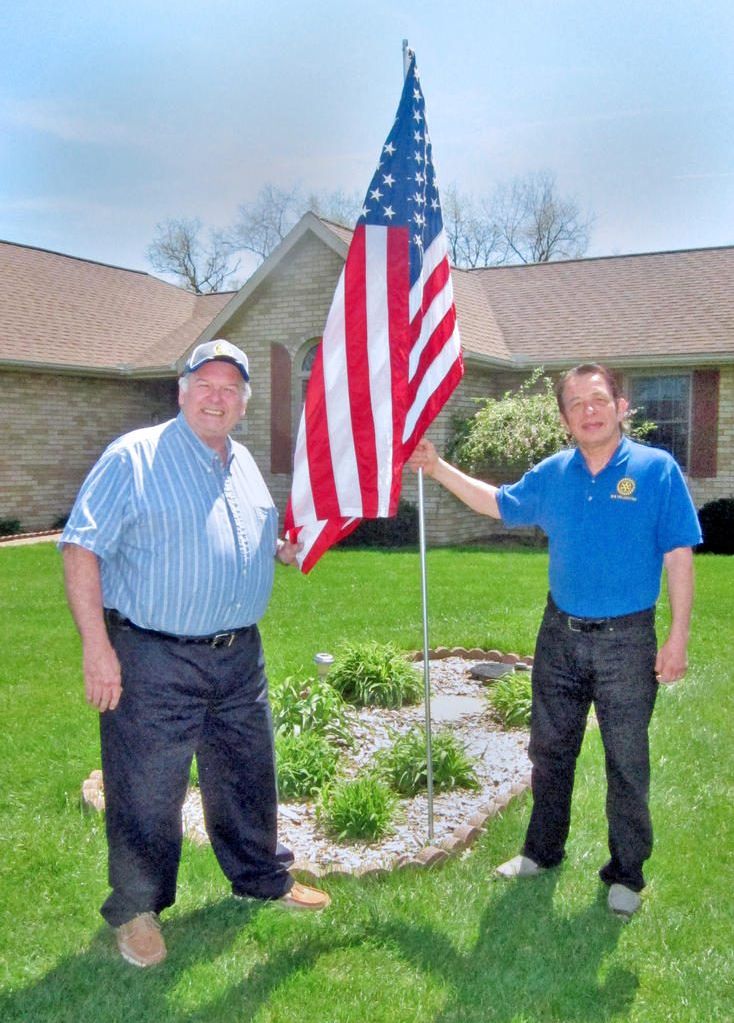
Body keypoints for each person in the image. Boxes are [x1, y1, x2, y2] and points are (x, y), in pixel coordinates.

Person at [61, 339, 330, 969]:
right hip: (154, 655)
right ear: (180, 391)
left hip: (239, 657)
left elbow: (254, 538)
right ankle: (136, 908)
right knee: (146, 789)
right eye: (204, 383)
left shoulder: (241, 463)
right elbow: (81, 549)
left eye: (230, 388)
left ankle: (260, 879)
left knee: (246, 775)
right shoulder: (134, 456)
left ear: (243, 403)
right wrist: (97, 649)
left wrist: (287, 550)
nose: (217, 396)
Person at [408, 363, 701, 918]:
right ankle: (541, 852)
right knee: (549, 751)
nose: (588, 412)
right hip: (560, 636)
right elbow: (497, 502)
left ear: (620, 406)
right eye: (576, 404)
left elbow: (679, 555)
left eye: (598, 400)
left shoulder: (656, 470)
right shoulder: (554, 473)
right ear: (565, 417)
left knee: (627, 761)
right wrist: (438, 466)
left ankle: (626, 875)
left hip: (627, 642)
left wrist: (677, 637)